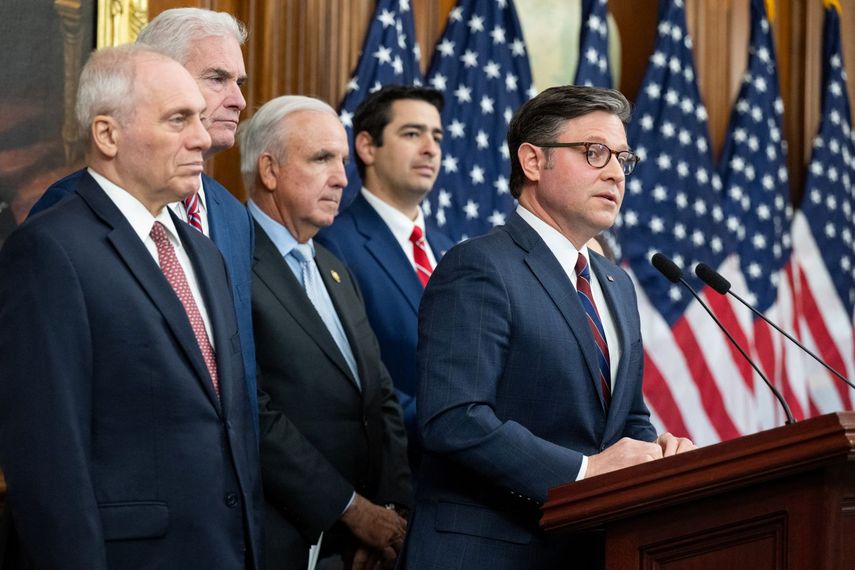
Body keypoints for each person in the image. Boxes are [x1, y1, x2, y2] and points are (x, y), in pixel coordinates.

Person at [403, 85, 695, 568]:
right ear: (534, 162)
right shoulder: (479, 266)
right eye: (594, 152)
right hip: (491, 551)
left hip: (592, 549)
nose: (615, 174)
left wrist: (657, 453)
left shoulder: (614, 282)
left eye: (623, 159)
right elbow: (454, 418)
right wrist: (584, 470)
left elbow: (625, 417)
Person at [0, 44, 262, 569]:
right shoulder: (51, 250)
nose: (201, 138)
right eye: (178, 120)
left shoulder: (205, 253)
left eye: (199, 118)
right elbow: (49, 455)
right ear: (107, 134)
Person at [27, 8, 259, 435]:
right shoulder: (66, 214)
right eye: (217, 78)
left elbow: (237, 376)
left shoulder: (233, 215)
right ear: (159, 77)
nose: (239, 100)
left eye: (239, 83)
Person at [238, 95, 412, 569]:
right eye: (321, 159)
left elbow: (381, 393)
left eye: (341, 159)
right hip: (285, 539)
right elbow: (253, 411)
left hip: (365, 545)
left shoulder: (335, 268)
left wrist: (390, 513)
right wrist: (351, 511)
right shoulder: (228, 262)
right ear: (269, 171)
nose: (341, 177)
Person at [316, 85, 454, 468]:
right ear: (366, 146)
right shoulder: (332, 243)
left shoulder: (452, 250)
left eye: (437, 136)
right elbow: (349, 379)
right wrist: (456, 429)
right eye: (412, 134)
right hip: (392, 471)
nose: (430, 148)